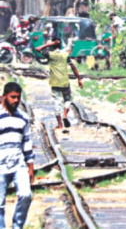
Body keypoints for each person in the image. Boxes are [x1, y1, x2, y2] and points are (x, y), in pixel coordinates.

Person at [0, 82, 34, 229]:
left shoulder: (24, 118)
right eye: (12, 97)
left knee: (26, 194)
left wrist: (31, 166)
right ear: (4, 97)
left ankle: (17, 226)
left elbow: (27, 142)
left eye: (18, 98)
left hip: (18, 164)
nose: (15, 101)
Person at [38, 37, 83, 130]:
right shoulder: (65, 55)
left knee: (57, 102)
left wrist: (49, 44)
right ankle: (65, 115)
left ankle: (60, 125)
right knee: (67, 99)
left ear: (53, 45)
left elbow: (38, 49)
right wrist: (79, 79)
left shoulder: (50, 54)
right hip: (65, 82)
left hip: (55, 83)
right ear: (61, 45)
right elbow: (73, 67)